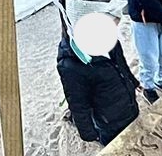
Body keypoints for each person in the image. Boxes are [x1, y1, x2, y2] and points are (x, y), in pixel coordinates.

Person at [57, 10, 140, 147]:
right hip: (109, 121)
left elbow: (121, 65)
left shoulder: (110, 40)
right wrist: (89, 134)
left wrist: (133, 82)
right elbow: (78, 103)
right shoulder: (70, 66)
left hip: (128, 103)